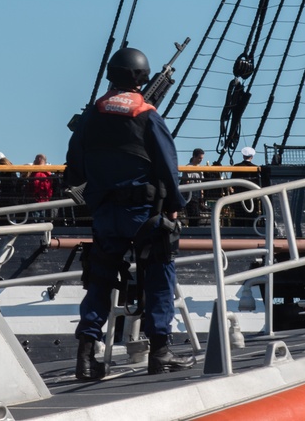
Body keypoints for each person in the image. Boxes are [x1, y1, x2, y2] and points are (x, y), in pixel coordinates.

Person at [65, 46, 194, 380]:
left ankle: (85, 354)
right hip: (144, 214)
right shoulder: (147, 114)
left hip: (106, 214)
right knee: (159, 275)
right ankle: (160, 352)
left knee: (100, 279)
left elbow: (74, 168)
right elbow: (168, 166)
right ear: (142, 78)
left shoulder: (92, 115)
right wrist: (176, 205)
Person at [181, 148, 206, 226]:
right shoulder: (187, 167)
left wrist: (202, 196)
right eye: (199, 158)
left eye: (202, 159)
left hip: (198, 194)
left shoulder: (200, 168)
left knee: (197, 216)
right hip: (190, 194)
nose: (200, 160)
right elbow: (186, 182)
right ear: (194, 157)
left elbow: (201, 183)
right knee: (193, 216)